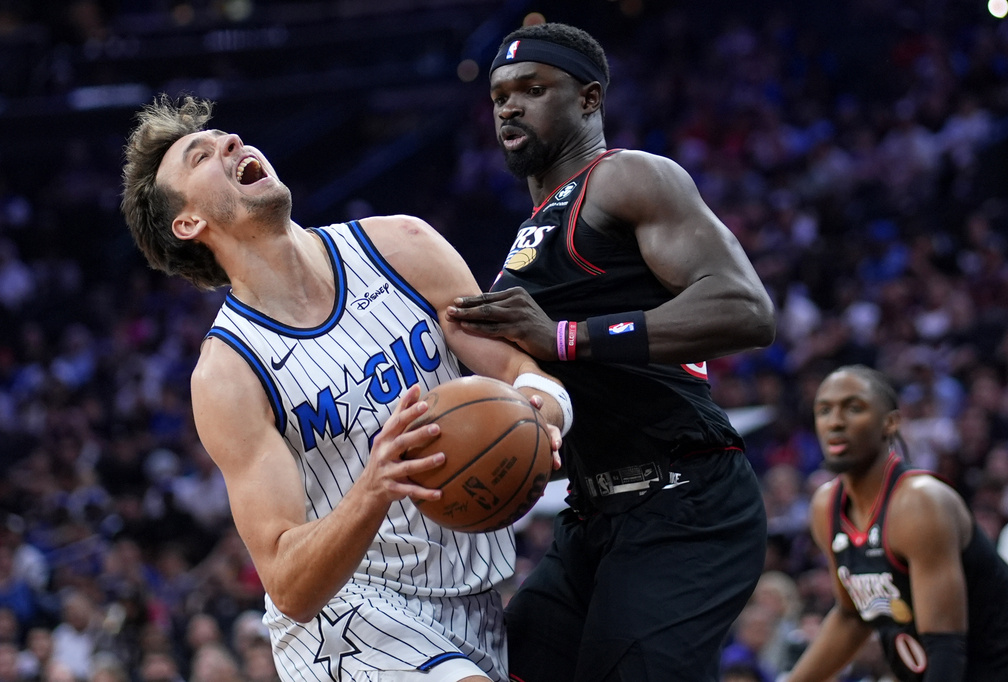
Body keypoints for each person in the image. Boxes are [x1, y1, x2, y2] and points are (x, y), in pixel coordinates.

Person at [120, 95, 574, 682]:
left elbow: (520, 373)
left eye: (228, 136)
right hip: (344, 619)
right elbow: (287, 582)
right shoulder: (226, 374)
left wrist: (544, 413)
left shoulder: (403, 246)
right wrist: (374, 488)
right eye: (201, 155)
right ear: (189, 224)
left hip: (476, 591)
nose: (231, 143)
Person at [446, 21, 776, 682]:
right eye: (498, 96)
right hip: (595, 512)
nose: (509, 106)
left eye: (532, 89)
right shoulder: (525, 242)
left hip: (688, 497)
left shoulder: (627, 178)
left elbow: (746, 308)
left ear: (589, 99)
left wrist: (567, 338)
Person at [785, 365, 1008, 681]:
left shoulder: (920, 502)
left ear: (891, 422)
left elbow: (946, 650)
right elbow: (853, 616)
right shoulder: (825, 506)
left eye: (854, 408)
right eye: (824, 410)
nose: (836, 422)